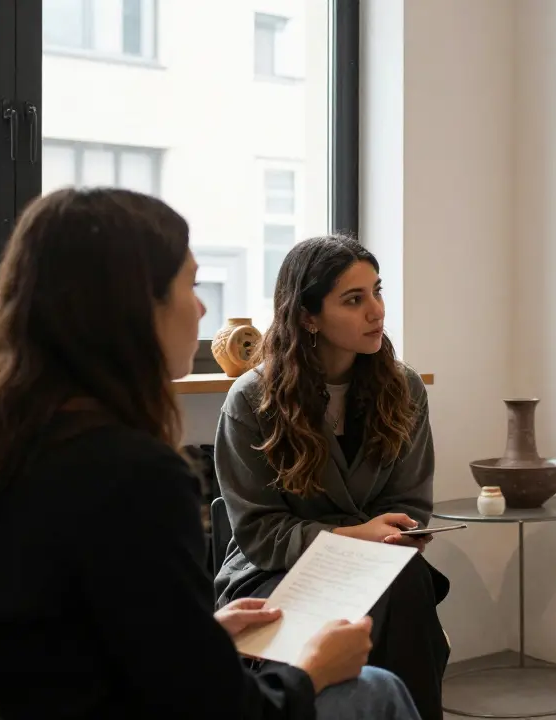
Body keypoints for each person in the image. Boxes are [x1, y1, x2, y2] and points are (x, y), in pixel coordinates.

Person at [0, 188, 419, 719]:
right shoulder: (133, 474)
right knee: (373, 690)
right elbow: (216, 708)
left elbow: (56, 637)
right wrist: (312, 670)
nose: (200, 307)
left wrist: (203, 634)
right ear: (130, 307)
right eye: (189, 285)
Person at [214, 234, 449, 720]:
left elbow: (410, 502)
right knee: (401, 593)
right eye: (354, 299)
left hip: (376, 567)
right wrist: (351, 535)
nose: (376, 311)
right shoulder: (251, 399)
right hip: (272, 576)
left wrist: (391, 536)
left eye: (377, 292)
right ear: (307, 316)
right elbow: (259, 533)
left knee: (401, 582)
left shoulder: (403, 388)